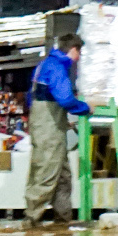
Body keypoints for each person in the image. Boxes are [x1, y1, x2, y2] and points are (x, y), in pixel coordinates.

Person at [24, 32, 92, 226]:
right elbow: (65, 99)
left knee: (63, 175)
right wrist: (85, 108)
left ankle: (63, 220)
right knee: (46, 172)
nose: (79, 58)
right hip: (49, 128)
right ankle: (31, 220)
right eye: (80, 53)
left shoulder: (46, 64)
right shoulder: (58, 68)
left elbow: (34, 97)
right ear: (73, 50)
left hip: (47, 123)